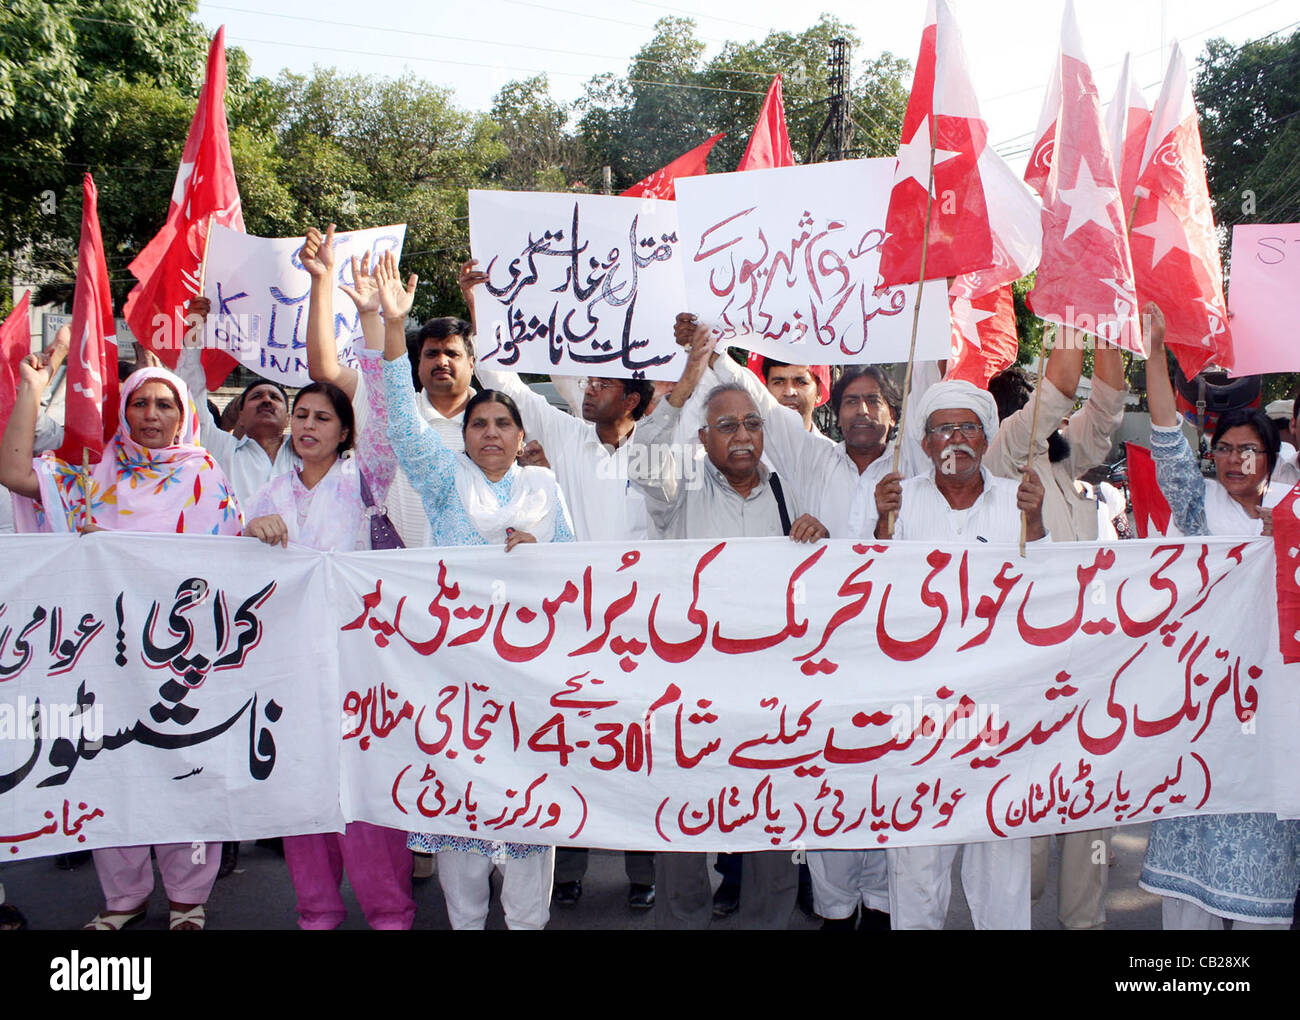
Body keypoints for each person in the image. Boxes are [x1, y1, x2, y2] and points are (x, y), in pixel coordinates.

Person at [0, 359, 242, 930]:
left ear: (184, 416)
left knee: (185, 774)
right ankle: (122, 899)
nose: (151, 415)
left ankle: (189, 899)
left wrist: (257, 533)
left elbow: (231, 572)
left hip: (182, 666)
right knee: (113, 775)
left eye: (165, 405)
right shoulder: (92, 480)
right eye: (140, 403)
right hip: (104, 665)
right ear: (124, 412)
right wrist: (34, 389)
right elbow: (13, 473)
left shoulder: (207, 478)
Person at [376, 252, 574, 930]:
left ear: (522, 438)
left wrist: (542, 553)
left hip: (527, 687)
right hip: (456, 684)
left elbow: (578, 579)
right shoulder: (441, 480)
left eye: (502, 425)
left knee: (526, 848)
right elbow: (400, 422)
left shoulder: (545, 492)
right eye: (479, 425)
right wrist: (395, 336)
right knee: (461, 855)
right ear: (463, 437)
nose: (490, 432)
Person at [460, 260, 658, 909]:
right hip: (566, 624)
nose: (588, 387)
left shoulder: (662, 450)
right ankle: (566, 867)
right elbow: (504, 380)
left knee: (634, 745)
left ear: (632, 399)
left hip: (639, 630)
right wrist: (479, 301)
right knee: (566, 740)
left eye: (603, 382)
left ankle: (643, 875)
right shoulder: (567, 438)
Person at [629, 325, 830, 930]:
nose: (743, 435)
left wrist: (818, 539)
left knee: (771, 828)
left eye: (751, 424)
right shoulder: (679, 492)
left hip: (772, 696)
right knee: (684, 833)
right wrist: (692, 374)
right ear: (704, 438)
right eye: (727, 426)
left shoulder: (785, 490)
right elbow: (643, 457)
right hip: (693, 693)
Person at [242, 235, 415, 931]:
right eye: (301, 416)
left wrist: (373, 318)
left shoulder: (368, 481)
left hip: (361, 672)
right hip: (288, 676)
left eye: (323, 417)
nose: (309, 424)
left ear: (347, 435)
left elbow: (349, 379)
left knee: (368, 806)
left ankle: (391, 916)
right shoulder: (265, 496)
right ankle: (316, 915)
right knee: (303, 802)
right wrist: (250, 537)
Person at [1137, 303, 1299, 930]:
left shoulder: (1292, 509)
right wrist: (1153, 353)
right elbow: (1165, 439)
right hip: (1205, 708)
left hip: (1276, 711)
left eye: (1249, 450)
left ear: (1271, 454)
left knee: (1265, 877)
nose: (1235, 461)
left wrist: (1283, 528)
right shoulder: (1198, 507)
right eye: (1224, 450)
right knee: (1190, 890)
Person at [872, 378, 1045, 929]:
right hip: (917, 713)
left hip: (999, 714)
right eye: (943, 428)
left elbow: (1048, 601)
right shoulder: (898, 500)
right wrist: (881, 524)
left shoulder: (1017, 502)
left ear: (987, 438)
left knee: (1001, 866)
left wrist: (1036, 522)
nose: (956, 438)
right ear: (924, 444)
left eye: (968, 426)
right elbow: (865, 599)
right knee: (917, 864)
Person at [983, 330, 1128, 930]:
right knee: (1025, 851)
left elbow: (1106, 404)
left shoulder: (1069, 455)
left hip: (1088, 669)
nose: (1047, 413)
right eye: (1027, 402)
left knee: (1089, 819)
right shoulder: (1003, 452)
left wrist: (1114, 328)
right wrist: (1080, 300)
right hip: (1024, 676)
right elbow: (1061, 392)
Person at [304, 226, 476, 550]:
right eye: (431, 354)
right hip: (392, 584)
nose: (441, 362)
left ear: (472, 362)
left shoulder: (491, 422)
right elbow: (323, 368)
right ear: (416, 363)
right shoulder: (390, 411)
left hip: (463, 587)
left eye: (452, 353)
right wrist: (322, 281)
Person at [175, 310, 295, 506]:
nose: (266, 400)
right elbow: (191, 395)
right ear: (241, 416)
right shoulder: (222, 449)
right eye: (256, 397)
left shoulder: (308, 453)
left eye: (274, 397)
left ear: (288, 419)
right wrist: (195, 330)